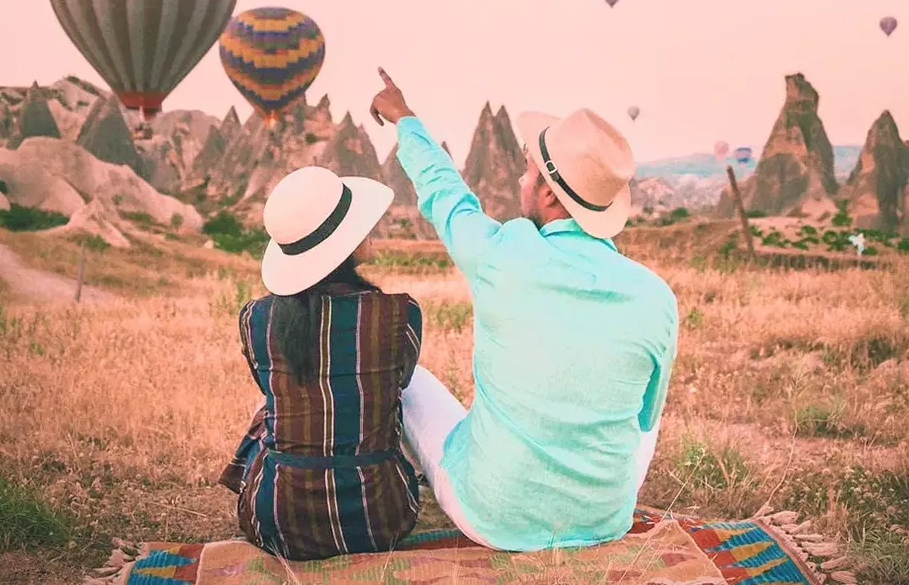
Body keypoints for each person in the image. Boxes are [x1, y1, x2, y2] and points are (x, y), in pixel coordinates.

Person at [368, 68, 679, 552]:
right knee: (646, 409)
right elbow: (644, 418)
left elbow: (445, 197)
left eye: (529, 170)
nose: (520, 177)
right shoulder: (657, 295)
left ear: (549, 194)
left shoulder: (503, 254)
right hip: (604, 520)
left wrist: (405, 117)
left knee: (409, 382)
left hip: (492, 517)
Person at [218, 165, 425, 561]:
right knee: (407, 393)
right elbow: (400, 382)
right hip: (381, 520)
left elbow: (268, 389)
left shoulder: (255, 320)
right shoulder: (400, 314)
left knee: (271, 409)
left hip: (278, 524)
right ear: (346, 244)